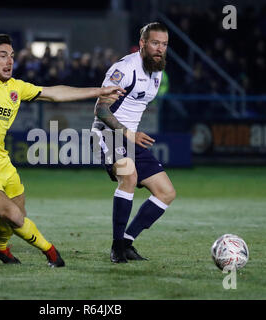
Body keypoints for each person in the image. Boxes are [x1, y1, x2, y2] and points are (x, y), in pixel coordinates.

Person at [0, 34, 124, 268]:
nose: (9, 62)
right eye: (2, 56)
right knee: (14, 217)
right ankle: (51, 252)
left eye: (12, 56)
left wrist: (99, 91)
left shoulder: (16, 87)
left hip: (2, 165)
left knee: (18, 214)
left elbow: (56, 92)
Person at [91, 22, 176, 263]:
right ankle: (117, 247)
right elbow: (101, 110)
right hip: (107, 133)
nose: (160, 49)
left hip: (130, 137)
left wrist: (131, 135)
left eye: (164, 44)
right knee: (129, 176)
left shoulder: (157, 72)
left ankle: (127, 242)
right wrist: (129, 134)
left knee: (166, 192)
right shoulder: (125, 68)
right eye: (155, 43)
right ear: (142, 43)